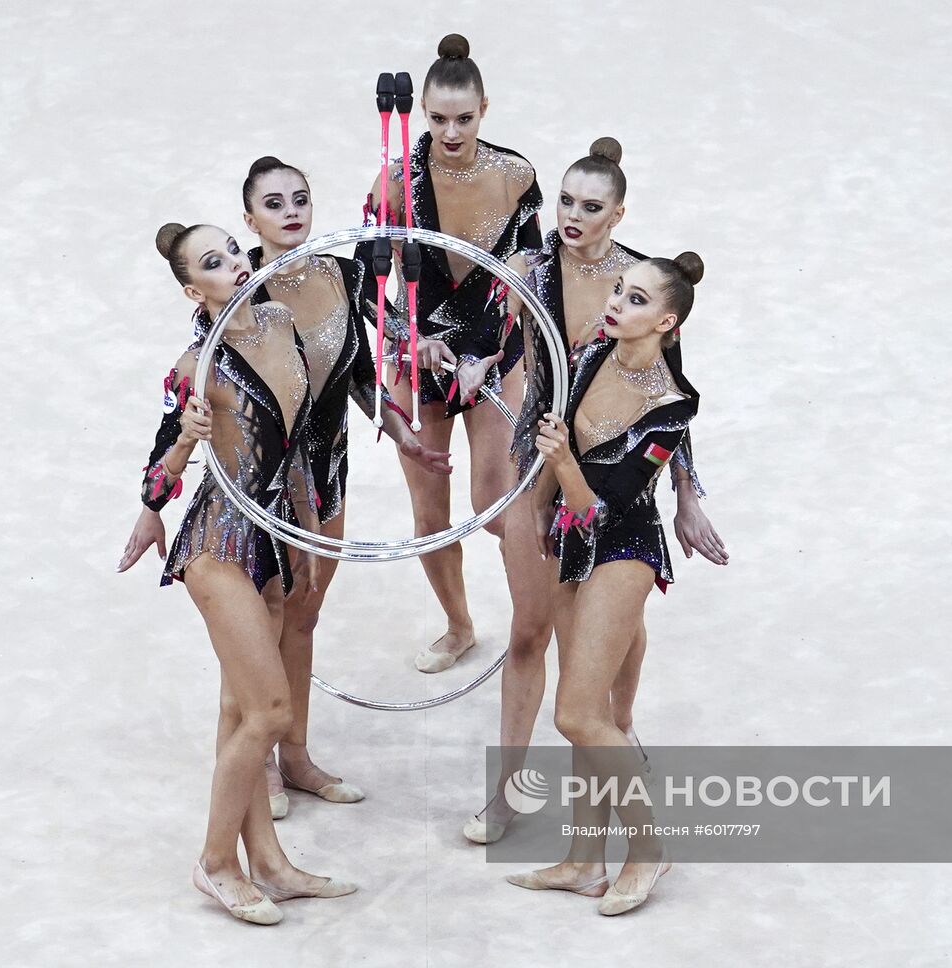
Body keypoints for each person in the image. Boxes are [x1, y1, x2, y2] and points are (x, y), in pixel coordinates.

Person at [121, 159, 451, 820]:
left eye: (301, 198)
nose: (292, 212)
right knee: (252, 620)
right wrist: (152, 504)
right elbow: (188, 406)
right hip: (259, 485)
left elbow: (366, 360)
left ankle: (295, 753)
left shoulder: (342, 271)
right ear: (251, 222)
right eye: (274, 204)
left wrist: (401, 426)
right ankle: (259, 753)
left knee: (302, 613)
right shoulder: (243, 301)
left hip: (327, 472)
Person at [464, 141, 726, 844]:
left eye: (590, 206)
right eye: (566, 202)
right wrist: (455, 356)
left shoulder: (641, 284)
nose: (573, 216)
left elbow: (663, 401)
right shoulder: (529, 268)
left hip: (608, 479)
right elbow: (484, 345)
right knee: (529, 630)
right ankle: (508, 790)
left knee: (610, 623)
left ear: (618, 211)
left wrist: (687, 496)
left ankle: (618, 726)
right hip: (538, 469)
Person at [136, 222, 355, 924]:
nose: (233, 263)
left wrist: (308, 538)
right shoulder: (195, 365)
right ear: (189, 289)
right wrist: (183, 450)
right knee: (269, 711)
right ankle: (216, 862)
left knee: (239, 712)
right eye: (212, 262)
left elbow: (291, 447)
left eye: (232, 250)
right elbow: (160, 466)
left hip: (273, 542)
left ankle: (271, 865)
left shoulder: (282, 323)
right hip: (217, 546)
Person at [506, 253, 706, 916]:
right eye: (621, 289)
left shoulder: (671, 408)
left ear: (668, 321)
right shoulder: (593, 351)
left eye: (638, 299)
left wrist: (560, 464)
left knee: (579, 714)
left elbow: (605, 505)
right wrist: (537, 504)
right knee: (587, 717)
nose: (617, 302)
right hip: (569, 543)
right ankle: (584, 861)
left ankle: (649, 848)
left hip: (622, 547)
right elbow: (554, 435)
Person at [358, 32, 544, 673]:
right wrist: (415, 342)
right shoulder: (397, 179)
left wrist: (489, 353)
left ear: (485, 109)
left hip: (492, 349)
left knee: (495, 501)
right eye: (437, 118)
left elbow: (529, 268)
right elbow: (369, 283)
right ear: (424, 113)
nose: (451, 130)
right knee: (430, 516)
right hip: (416, 350)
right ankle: (459, 625)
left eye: (464, 118)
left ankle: (546, 601)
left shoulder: (516, 175)